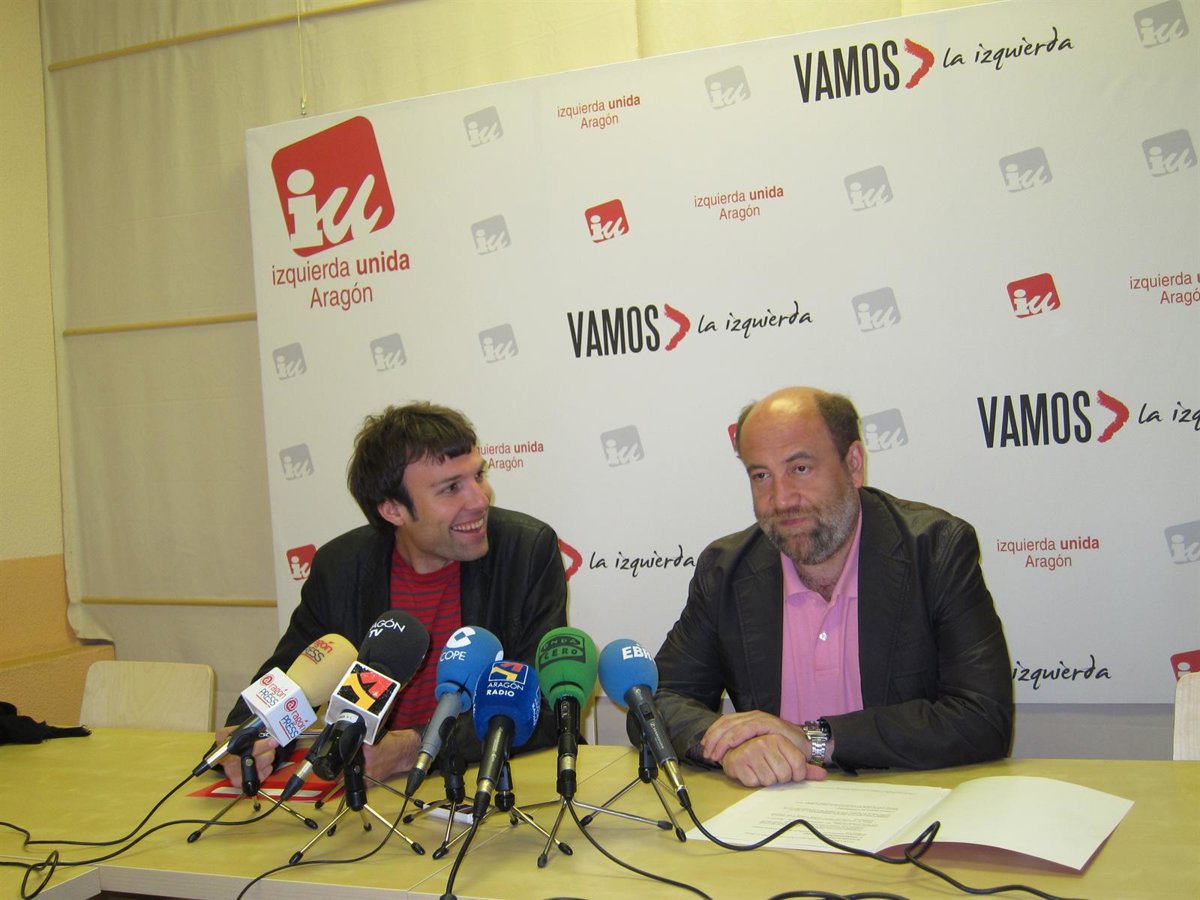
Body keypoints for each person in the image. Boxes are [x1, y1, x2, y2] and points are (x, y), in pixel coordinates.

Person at [650, 386, 1013, 787]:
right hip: (775, 807)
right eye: (761, 476)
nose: (781, 500)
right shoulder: (725, 570)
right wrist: (731, 744)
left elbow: (983, 718)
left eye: (800, 468)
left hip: (905, 798)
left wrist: (814, 740)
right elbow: (657, 700)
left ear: (854, 464)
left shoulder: (935, 551)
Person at [216, 402, 567, 787]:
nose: (481, 499)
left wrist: (413, 748)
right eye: (451, 488)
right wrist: (249, 739)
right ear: (393, 509)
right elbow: (286, 682)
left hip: (489, 782)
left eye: (478, 475)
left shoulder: (526, 552)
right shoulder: (342, 568)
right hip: (375, 794)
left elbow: (546, 704)